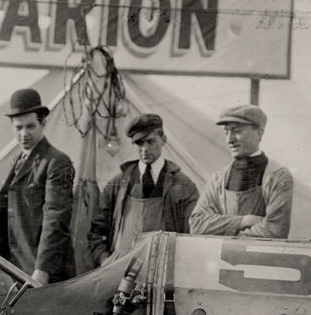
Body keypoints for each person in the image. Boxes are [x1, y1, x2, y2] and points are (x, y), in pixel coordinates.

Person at [0, 88, 75, 287]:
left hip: (41, 271)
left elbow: (56, 219)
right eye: (18, 128)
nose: (24, 134)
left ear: (43, 123)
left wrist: (42, 270)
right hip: (14, 267)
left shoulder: (58, 162)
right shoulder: (20, 160)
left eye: (30, 126)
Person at [88, 113, 200, 265]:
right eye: (139, 143)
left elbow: (192, 235)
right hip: (120, 272)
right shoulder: (117, 184)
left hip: (163, 272)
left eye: (151, 141)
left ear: (164, 140)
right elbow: (97, 231)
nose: (145, 148)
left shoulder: (182, 185)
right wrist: (104, 259)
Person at [188, 104, 294, 239]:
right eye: (226, 132)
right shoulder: (218, 179)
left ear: (259, 133)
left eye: (236, 131)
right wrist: (244, 220)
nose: (229, 139)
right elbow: (196, 224)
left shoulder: (278, 176)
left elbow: (275, 230)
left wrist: (223, 232)